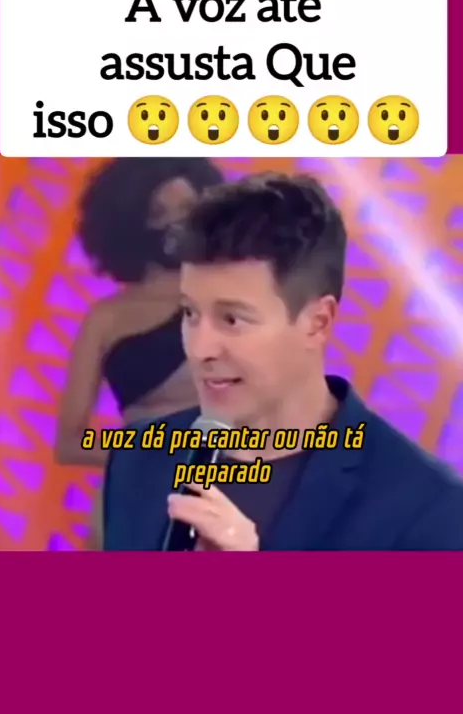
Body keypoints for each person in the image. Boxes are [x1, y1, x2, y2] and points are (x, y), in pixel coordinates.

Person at [103, 171, 463, 551]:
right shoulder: (137, 461)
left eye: (232, 319)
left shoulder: (426, 507)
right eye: (190, 314)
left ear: (317, 323)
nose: (200, 348)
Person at [55, 157, 224, 547]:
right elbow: (69, 442)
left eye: (188, 207)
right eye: (160, 213)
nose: (177, 222)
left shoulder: (236, 303)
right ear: (129, 224)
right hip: (137, 506)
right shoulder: (107, 319)